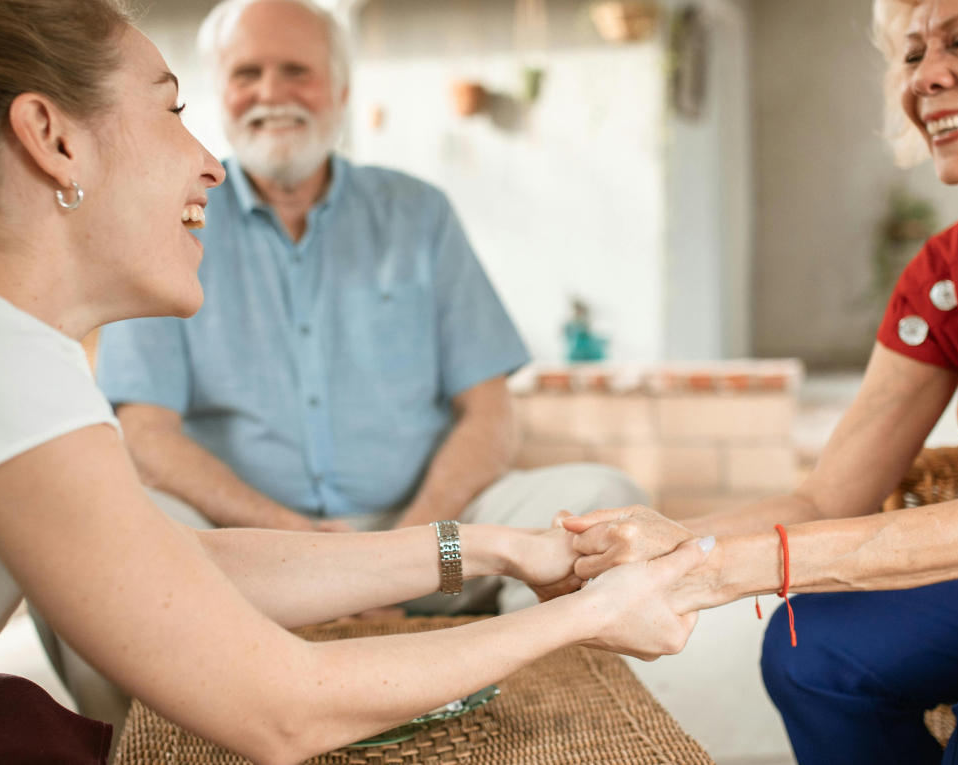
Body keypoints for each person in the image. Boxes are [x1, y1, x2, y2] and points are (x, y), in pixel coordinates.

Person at [0, 1, 711, 763]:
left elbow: (179, 563)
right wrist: (587, 614)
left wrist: (499, 547)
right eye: (171, 107)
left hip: (391, 516)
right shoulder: (3, 361)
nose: (210, 164)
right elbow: (285, 708)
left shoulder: (1, 340)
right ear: (53, 140)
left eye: (295, 70)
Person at [558, 0, 958, 762]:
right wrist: (649, 543)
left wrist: (716, 571)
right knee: (816, 652)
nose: (926, 76)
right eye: (911, 54)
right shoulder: (949, 271)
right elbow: (822, 498)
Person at [94, 0, 647, 597]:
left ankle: (528, 685)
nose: (270, 93)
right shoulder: (170, 225)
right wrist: (295, 538)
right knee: (99, 533)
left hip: (442, 548)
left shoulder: (420, 214)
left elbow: (490, 412)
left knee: (604, 503)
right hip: (254, 552)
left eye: (296, 71)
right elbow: (147, 436)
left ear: (341, 90)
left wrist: (405, 550)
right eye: (246, 74)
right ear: (220, 93)